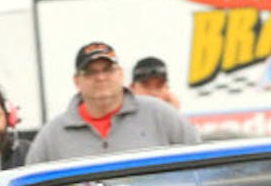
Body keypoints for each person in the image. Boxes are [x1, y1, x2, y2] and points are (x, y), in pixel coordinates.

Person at [26, 41, 199, 163]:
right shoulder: (51, 136)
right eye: (91, 72)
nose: (101, 77)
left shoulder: (161, 115)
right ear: (77, 81)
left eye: (108, 70)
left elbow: (202, 165)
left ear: (120, 74)